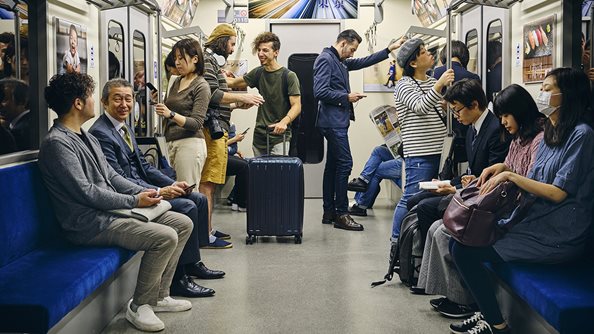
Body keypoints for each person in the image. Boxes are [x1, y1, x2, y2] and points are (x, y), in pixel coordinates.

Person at [38, 72, 194, 332]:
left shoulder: (85, 136)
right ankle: (139, 305)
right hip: (88, 223)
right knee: (165, 236)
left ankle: (159, 295)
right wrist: (135, 199)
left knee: (182, 223)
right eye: (90, 96)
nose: (93, 101)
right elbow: (86, 192)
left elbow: (110, 176)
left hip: (111, 211)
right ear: (78, 103)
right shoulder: (57, 143)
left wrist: (152, 193)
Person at [449, 68, 594, 334]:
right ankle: (489, 315)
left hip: (558, 233)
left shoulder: (582, 135)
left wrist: (512, 178)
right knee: (461, 240)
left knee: (465, 250)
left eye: (548, 89)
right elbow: (533, 175)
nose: (542, 94)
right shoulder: (553, 128)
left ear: (568, 95)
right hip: (534, 221)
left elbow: (557, 192)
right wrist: (504, 169)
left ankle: (497, 326)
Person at [90, 78, 225, 299]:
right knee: (187, 206)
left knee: (198, 199)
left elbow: (143, 166)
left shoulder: (123, 127)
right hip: (133, 195)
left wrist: (172, 183)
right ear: (104, 103)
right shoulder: (102, 133)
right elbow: (119, 179)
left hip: (144, 186)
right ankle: (178, 279)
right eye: (117, 99)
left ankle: (192, 263)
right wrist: (159, 191)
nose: (124, 104)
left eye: (128, 99)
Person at [418, 84, 544, 319]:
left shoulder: (536, 140)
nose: (504, 122)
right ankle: (453, 295)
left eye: (507, 116)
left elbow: (531, 182)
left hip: (514, 212)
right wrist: (501, 169)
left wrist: (505, 174)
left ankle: (472, 305)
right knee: (437, 223)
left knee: (448, 233)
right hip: (503, 203)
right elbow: (510, 167)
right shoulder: (516, 138)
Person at [314, 30, 405, 231]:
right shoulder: (326, 59)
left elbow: (364, 61)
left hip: (336, 121)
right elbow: (319, 91)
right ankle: (342, 214)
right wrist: (346, 97)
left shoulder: (340, 61)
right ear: (344, 43)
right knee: (346, 163)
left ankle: (329, 212)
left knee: (333, 167)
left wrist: (389, 49)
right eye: (352, 49)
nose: (353, 54)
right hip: (332, 122)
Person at [153, 38, 232, 249]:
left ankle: (194, 245)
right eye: (176, 58)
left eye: (182, 58)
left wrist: (171, 114)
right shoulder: (175, 82)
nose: (177, 63)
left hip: (190, 143)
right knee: (176, 191)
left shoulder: (202, 85)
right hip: (172, 142)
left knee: (188, 195)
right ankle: (187, 243)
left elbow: (196, 121)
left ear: (195, 59)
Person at [201, 23, 264, 247]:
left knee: (212, 183)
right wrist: (244, 97)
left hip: (218, 127)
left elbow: (218, 101)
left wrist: (236, 104)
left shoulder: (211, 62)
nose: (231, 49)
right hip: (212, 130)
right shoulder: (207, 60)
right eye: (231, 44)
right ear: (222, 41)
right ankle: (204, 234)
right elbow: (211, 95)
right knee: (207, 183)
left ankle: (208, 228)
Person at [390, 38, 454, 241]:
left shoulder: (432, 82)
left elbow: (436, 110)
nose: (430, 54)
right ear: (413, 63)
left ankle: (414, 241)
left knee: (430, 197)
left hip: (439, 151)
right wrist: (440, 86)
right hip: (419, 153)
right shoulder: (404, 85)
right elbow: (420, 106)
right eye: (424, 52)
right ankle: (397, 241)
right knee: (410, 198)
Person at [226, 31, 301, 156]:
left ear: (276, 52)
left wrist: (284, 122)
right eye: (259, 50)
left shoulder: (289, 76)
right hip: (259, 136)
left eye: (265, 50)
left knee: (277, 174)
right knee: (260, 173)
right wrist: (210, 76)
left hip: (279, 136)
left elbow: (297, 106)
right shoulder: (258, 73)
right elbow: (233, 82)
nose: (260, 54)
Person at [347, 145, 403, 217]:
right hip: (403, 155)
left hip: (408, 159)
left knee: (375, 171)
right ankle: (363, 180)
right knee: (379, 150)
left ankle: (361, 206)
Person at [0, 78, 32, 151]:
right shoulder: (30, 123)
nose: (0, 105)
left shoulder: (18, 133)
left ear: (22, 101)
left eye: (4, 99)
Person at [225, 123, 248, 211]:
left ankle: (235, 201)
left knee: (247, 163)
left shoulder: (228, 123)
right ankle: (242, 204)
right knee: (244, 166)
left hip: (225, 154)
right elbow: (215, 146)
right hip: (215, 157)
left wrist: (237, 150)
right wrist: (235, 139)